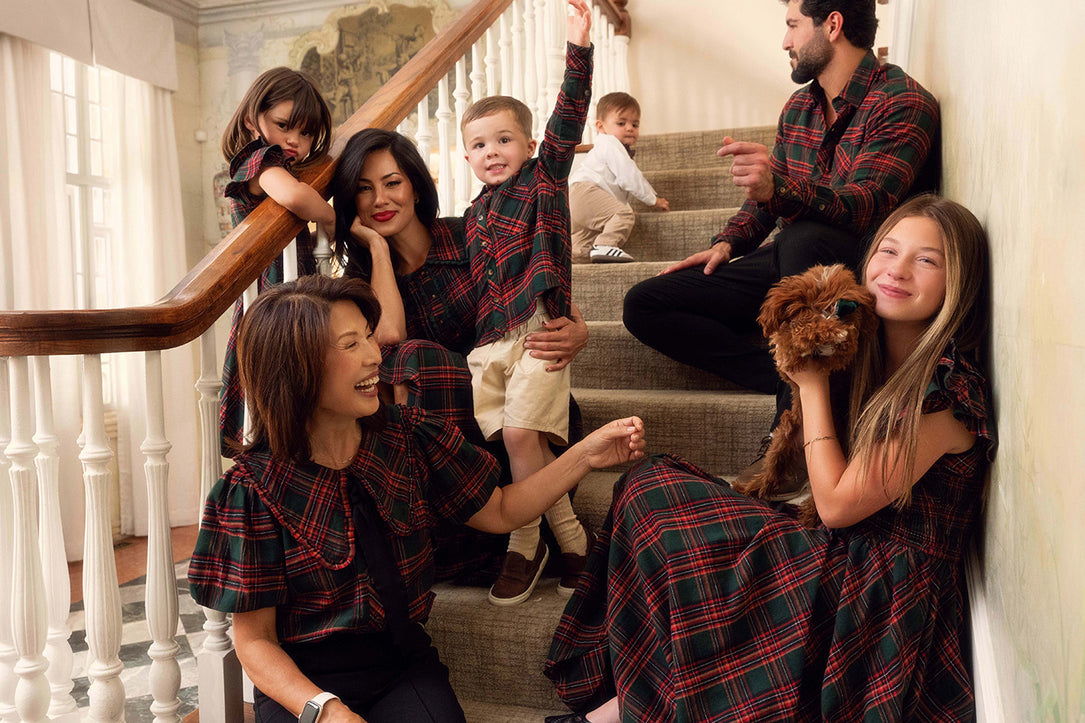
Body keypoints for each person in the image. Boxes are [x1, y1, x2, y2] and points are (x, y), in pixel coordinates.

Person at [544, 195, 995, 722]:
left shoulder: (947, 391)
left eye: (927, 260)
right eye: (889, 250)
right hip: (847, 549)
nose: (896, 270)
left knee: (675, 513)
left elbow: (835, 507)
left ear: (956, 282)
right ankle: (638, 699)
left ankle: (631, 710)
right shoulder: (870, 350)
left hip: (883, 587)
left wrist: (812, 382)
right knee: (648, 486)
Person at [188, 274, 645, 723]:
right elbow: (255, 642)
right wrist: (325, 711)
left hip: (400, 665)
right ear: (296, 367)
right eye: (351, 345)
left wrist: (585, 455)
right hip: (303, 684)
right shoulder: (249, 492)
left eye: (369, 337)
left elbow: (504, 509)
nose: (374, 357)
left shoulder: (410, 436)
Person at [622, 0, 940, 483]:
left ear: (832, 25)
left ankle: (787, 434)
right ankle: (790, 370)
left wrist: (781, 187)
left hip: (858, 269)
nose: (785, 41)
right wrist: (727, 243)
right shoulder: (799, 107)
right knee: (646, 303)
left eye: (793, 26)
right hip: (791, 259)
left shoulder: (902, 101)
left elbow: (868, 205)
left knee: (806, 238)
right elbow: (764, 202)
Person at [329, 128, 591, 584]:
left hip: (523, 415)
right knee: (396, 361)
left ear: (415, 184)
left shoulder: (470, 232)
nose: (379, 200)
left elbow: (540, 290)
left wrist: (579, 330)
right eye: (364, 190)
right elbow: (388, 335)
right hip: (450, 440)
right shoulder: (361, 280)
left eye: (392, 183)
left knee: (413, 360)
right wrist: (378, 252)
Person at [458, 0, 595, 606]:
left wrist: (579, 48)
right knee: (523, 440)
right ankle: (575, 542)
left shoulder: (544, 181)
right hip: (488, 345)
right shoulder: (469, 217)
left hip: (537, 332)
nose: (493, 151)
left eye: (505, 139)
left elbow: (568, 116)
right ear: (466, 157)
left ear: (528, 143)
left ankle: (523, 542)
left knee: (519, 435)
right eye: (480, 145)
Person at [218, 66, 336, 456]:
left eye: (305, 134)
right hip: (270, 291)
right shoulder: (260, 159)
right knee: (279, 390)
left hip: (283, 290)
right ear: (253, 119)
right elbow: (294, 197)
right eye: (284, 125)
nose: (295, 140)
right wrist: (331, 218)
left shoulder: (274, 158)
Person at [569, 91, 669, 264]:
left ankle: (572, 260)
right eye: (621, 123)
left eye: (635, 125)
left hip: (575, 197)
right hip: (585, 191)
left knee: (584, 240)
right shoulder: (610, 144)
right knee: (624, 215)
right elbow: (629, 177)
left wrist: (623, 206)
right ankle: (605, 245)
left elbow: (614, 191)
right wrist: (653, 200)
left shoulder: (604, 148)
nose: (630, 128)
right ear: (600, 126)